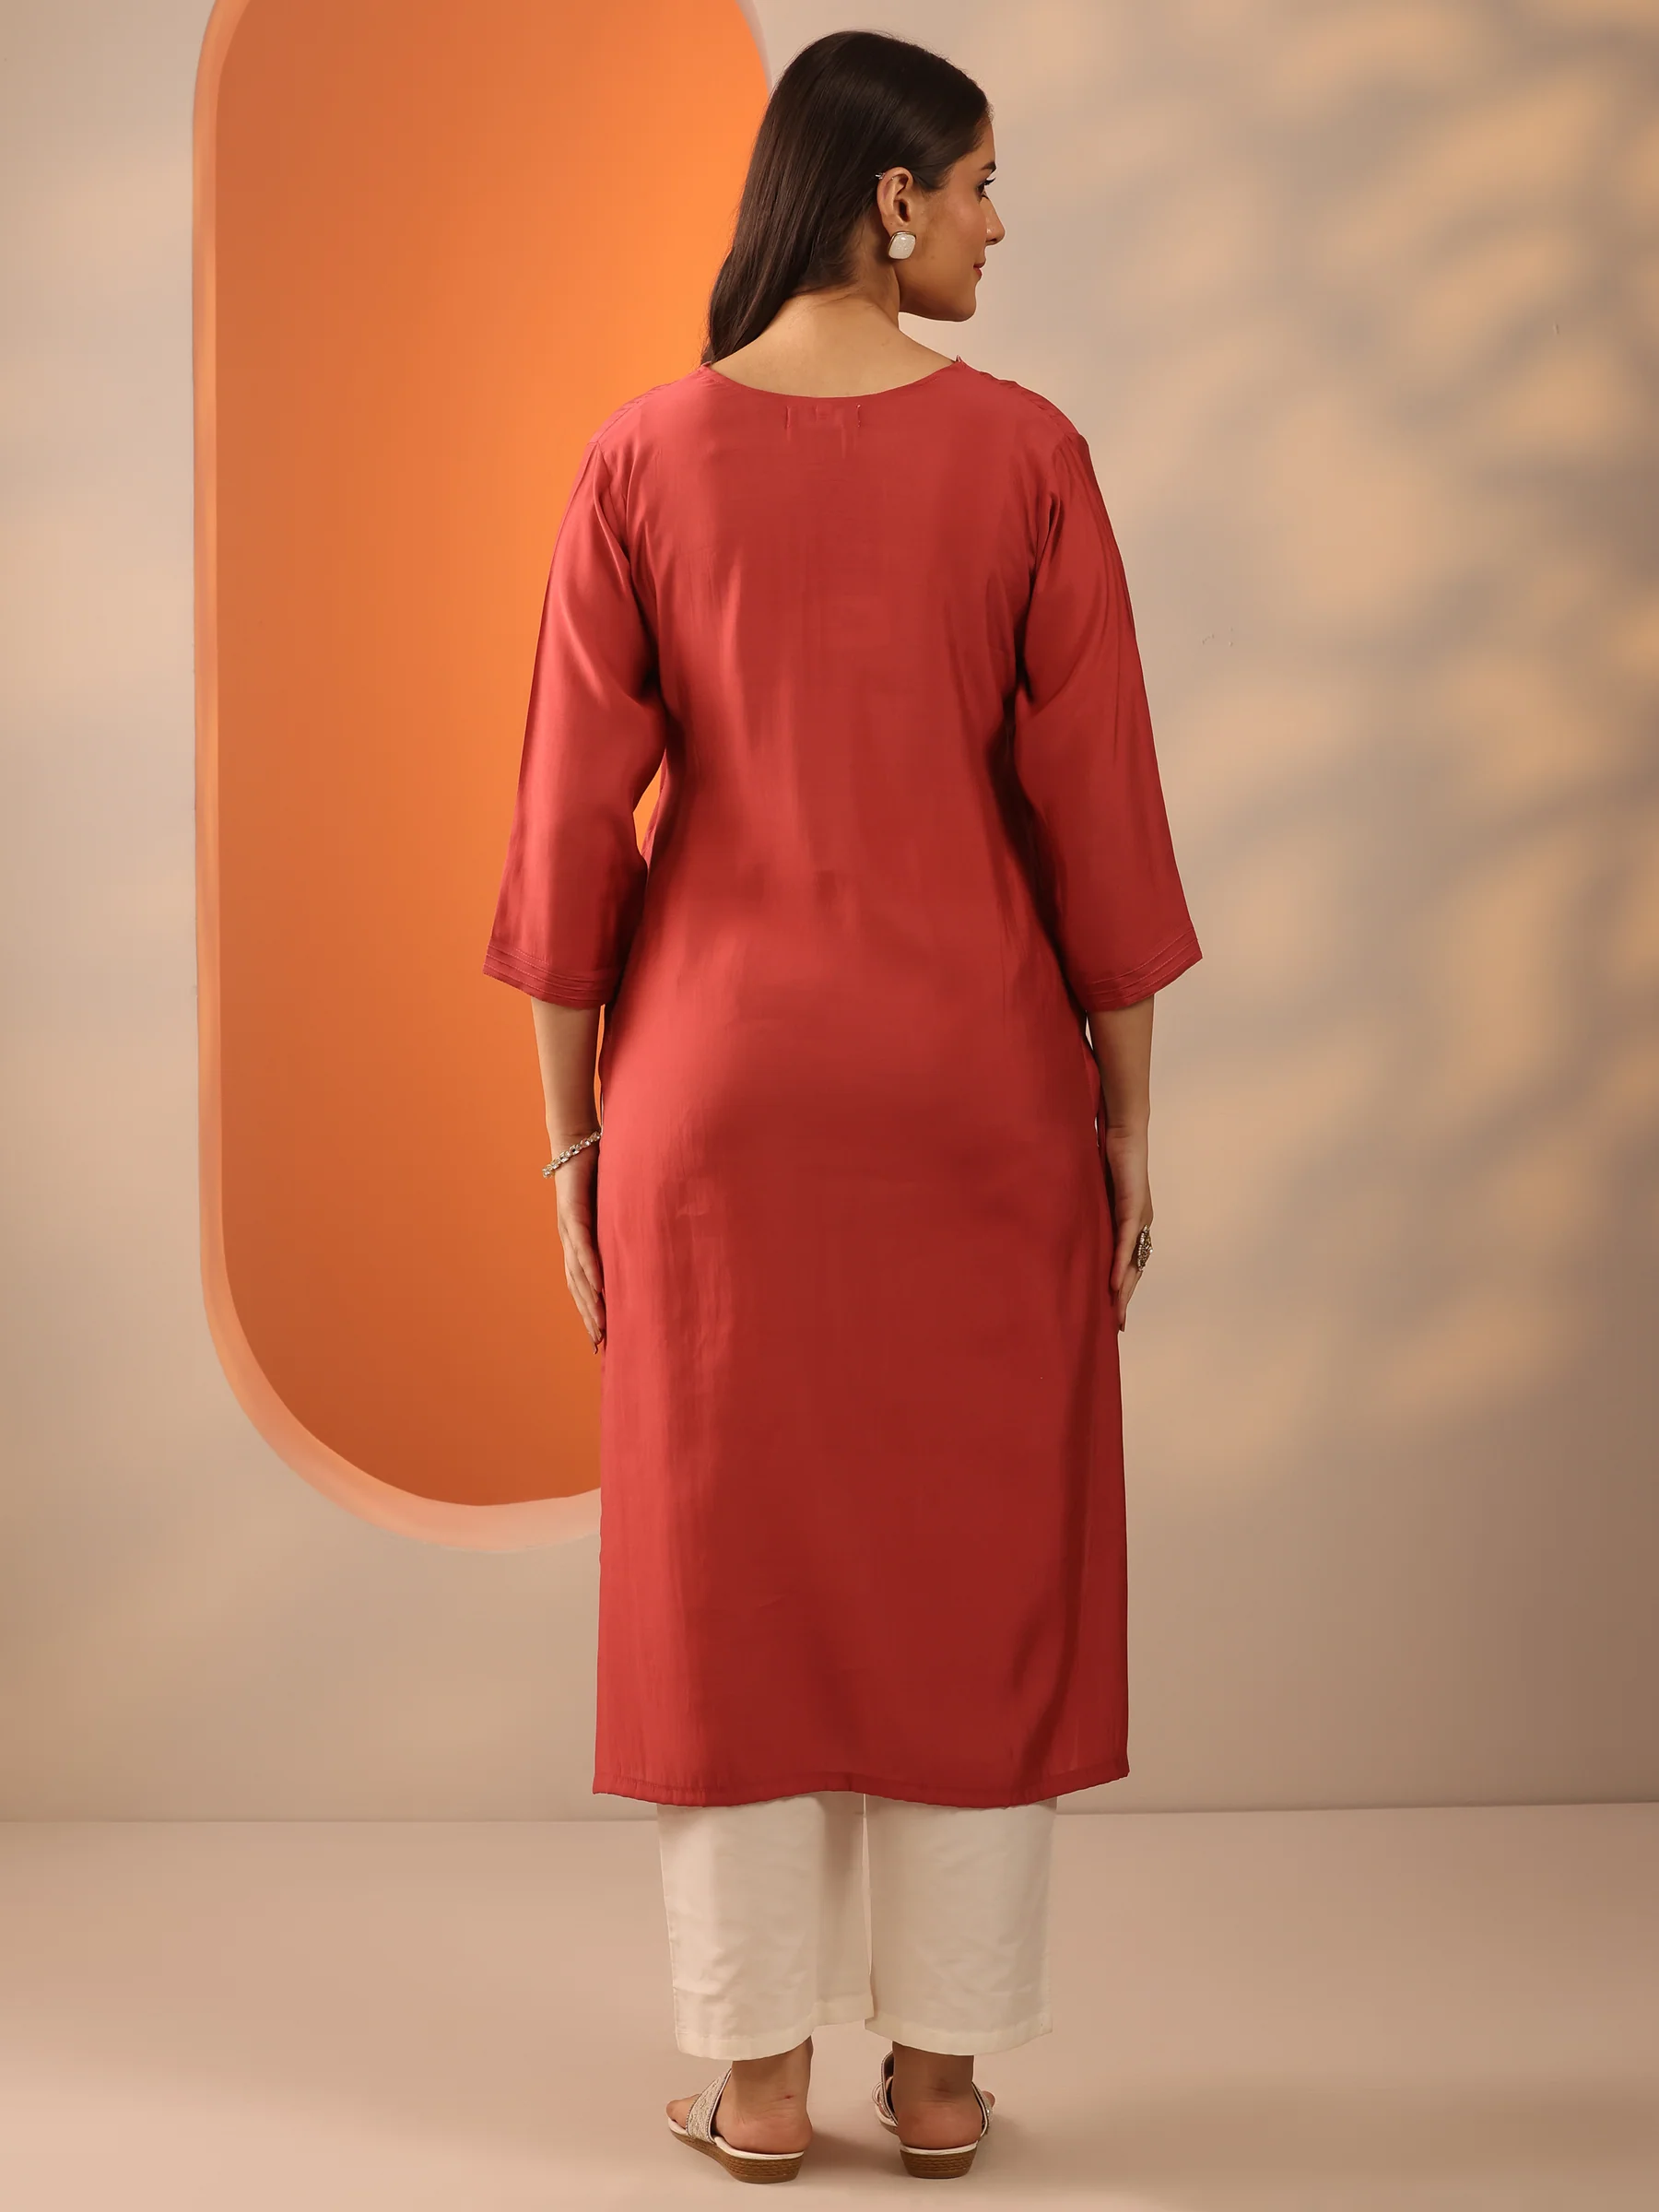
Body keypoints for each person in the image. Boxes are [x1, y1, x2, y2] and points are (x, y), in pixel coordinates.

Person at [481, 28, 1202, 2186]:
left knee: (729, 1571)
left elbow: (566, 852)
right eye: (978, 184)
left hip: (714, 1100)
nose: (997, 223)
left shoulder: (641, 459)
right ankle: (946, 2077)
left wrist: (574, 1143)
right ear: (890, 201)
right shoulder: (1030, 459)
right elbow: (1104, 834)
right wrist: (1126, 1120)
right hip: (974, 1085)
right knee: (982, 1557)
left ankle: (760, 2081)